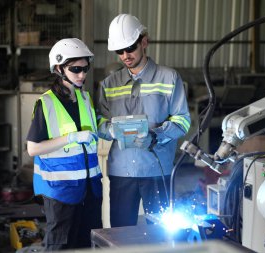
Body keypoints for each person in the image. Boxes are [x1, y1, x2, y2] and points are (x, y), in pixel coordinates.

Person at [97, 14, 191, 227]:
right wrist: (112, 131)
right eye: (119, 51)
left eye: (130, 48)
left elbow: (183, 121)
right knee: (121, 234)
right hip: (121, 171)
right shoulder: (109, 84)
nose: (125, 55)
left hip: (156, 169)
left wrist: (156, 136)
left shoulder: (169, 78)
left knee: (162, 233)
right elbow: (99, 122)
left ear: (144, 41)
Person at [27, 38, 102, 250]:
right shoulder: (46, 103)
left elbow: (93, 135)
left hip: (90, 189)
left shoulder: (85, 98)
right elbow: (33, 148)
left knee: (88, 243)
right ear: (59, 68)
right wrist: (71, 138)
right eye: (76, 69)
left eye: (85, 68)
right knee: (60, 245)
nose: (82, 75)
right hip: (61, 192)